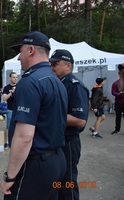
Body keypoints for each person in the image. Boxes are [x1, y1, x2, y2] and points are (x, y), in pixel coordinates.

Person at [0, 31, 68, 200]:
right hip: (58, 160)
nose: (18, 58)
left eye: (20, 52)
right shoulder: (57, 81)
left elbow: (24, 137)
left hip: (37, 165)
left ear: (30, 50)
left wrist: (10, 176)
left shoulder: (30, 82)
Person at [50, 49, 89, 200]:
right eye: (51, 64)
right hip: (57, 141)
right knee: (57, 181)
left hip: (69, 142)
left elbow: (80, 119)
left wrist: (50, 117)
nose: (52, 67)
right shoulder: (58, 84)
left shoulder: (74, 86)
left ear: (68, 65)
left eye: (56, 64)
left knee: (68, 182)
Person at [2, 72, 18, 149]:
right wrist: (11, 92)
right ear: (10, 78)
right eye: (14, 77)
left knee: (18, 126)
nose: (15, 79)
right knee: (8, 127)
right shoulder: (6, 88)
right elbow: (4, 98)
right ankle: (6, 142)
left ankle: (16, 142)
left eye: (16, 77)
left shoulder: (20, 87)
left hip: (18, 110)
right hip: (10, 109)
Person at [110, 64, 124, 135]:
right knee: (118, 117)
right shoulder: (115, 83)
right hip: (118, 102)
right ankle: (117, 129)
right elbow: (113, 92)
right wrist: (119, 94)